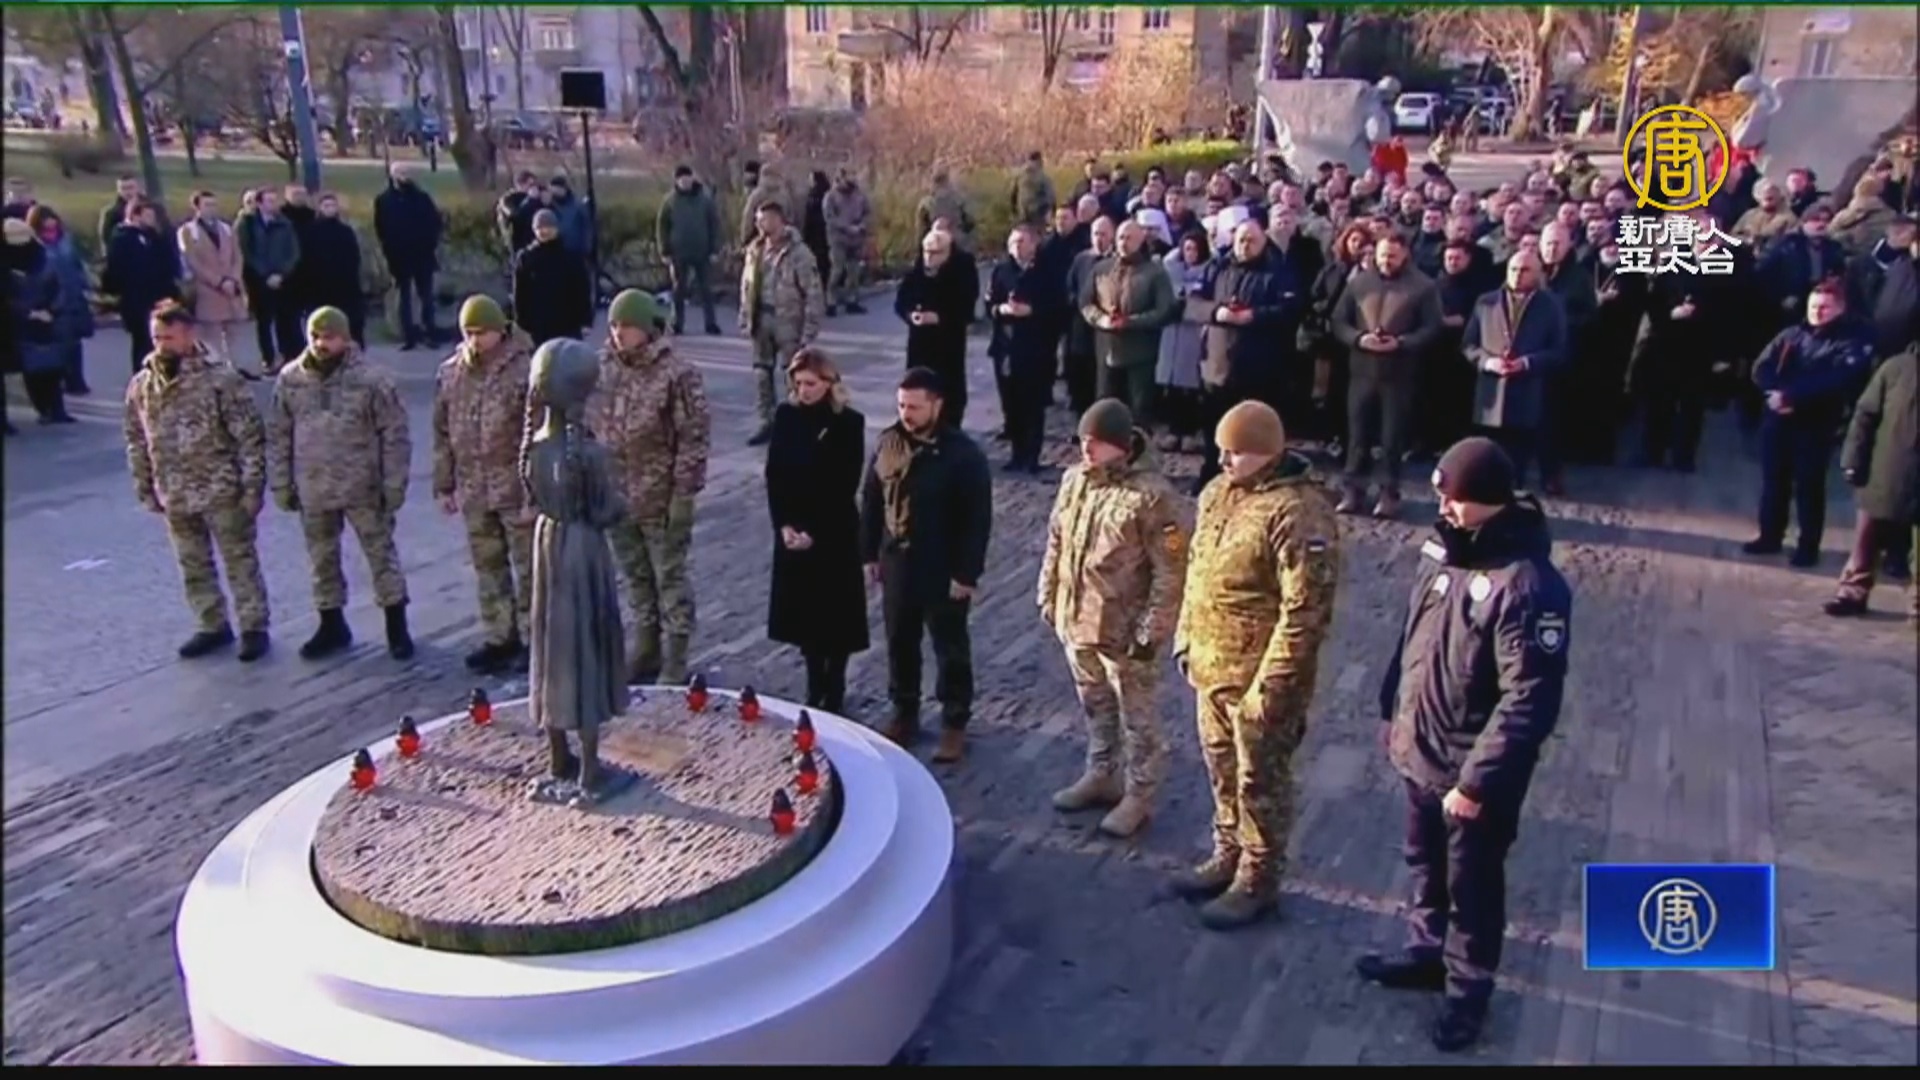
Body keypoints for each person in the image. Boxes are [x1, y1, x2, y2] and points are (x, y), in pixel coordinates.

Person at [1361, 436, 1571, 1053]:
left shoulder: (1526, 585)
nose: (1443, 508)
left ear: (1489, 498)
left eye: (1454, 498)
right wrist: (1392, 709)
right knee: (1425, 864)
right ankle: (1428, 952)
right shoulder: (1445, 549)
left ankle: (1468, 990)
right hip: (1422, 750)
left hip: (1470, 774)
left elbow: (1529, 698)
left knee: (1472, 885)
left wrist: (1476, 782)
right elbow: (1413, 636)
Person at [1172, 400, 1339, 930]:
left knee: (1260, 783)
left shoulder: (1300, 513)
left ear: (1269, 452)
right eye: (1221, 450)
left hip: (1258, 683)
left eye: (1236, 452)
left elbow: (1305, 614)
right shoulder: (1218, 494)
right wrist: (1185, 640)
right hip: (1211, 669)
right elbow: (1196, 571)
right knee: (1222, 771)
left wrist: (1270, 689)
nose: (1224, 461)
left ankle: (1258, 878)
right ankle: (1228, 851)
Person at [1037, 400, 1187, 839]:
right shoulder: (1074, 481)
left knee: (1137, 719)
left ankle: (1139, 794)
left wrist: (1152, 630)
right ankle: (1101, 772)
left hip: (1124, 631)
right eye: (1083, 440)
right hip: (1076, 619)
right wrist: (1048, 594)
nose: (1087, 449)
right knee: (1095, 703)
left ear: (1121, 445)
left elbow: (1172, 569)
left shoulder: (1153, 497)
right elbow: (1057, 540)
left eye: (1097, 442)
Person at [123, 301, 273, 663]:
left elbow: (249, 437)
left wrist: (252, 488)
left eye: (168, 337)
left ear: (188, 334)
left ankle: (253, 626)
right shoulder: (143, 385)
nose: (161, 345)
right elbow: (136, 439)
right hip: (174, 491)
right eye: (156, 337)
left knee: (239, 561)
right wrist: (145, 486)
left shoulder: (220, 380)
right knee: (192, 564)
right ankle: (211, 624)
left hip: (221, 489)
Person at [860, 367, 993, 763]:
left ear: (936, 405)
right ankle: (904, 711)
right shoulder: (887, 444)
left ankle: (954, 721)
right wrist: (868, 555)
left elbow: (977, 520)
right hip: (897, 562)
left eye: (915, 407)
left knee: (950, 646)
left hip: (943, 565)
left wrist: (966, 574)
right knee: (900, 641)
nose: (907, 413)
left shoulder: (963, 455)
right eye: (902, 405)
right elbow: (871, 502)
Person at [267, 307, 414, 661]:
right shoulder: (291, 379)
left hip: (363, 487)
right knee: (321, 560)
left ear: (345, 338)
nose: (321, 344)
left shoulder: (372, 381)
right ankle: (331, 624)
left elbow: (394, 435)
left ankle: (396, 627)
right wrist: (281, 483)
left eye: (329, 337)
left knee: (381, 557)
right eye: (315, 337)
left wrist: (394, 484)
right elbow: (279, 434)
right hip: (314, 488)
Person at [589, 290, 712, 686]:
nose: (619, 333)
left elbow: (693, 438)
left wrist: (684, 494)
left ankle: (676, 658)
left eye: (627, 326)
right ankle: (646, 647)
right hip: (617, 495)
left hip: (660, 496)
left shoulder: (676, 373)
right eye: (614, 325)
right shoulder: (602, 367)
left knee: (669, 578)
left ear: (648, 327)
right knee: (635, 576)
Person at [432, 296, 538, 675]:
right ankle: (499, 635)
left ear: (500, 330)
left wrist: (537, 491)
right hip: (475, 488)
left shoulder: (525, 371)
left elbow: (539, 434)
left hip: (516, 488)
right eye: (469, 333)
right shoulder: (451, 374)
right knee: (488, 567)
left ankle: (535, 638)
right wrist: (444, 485)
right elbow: (442, 433)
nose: (475, 341)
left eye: (482, 333)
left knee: (529, 570)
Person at [766, 348, 870, 713]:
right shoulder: (787, 417)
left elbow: (845, 483)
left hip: (833, 531)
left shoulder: (849, 423)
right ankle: (814, 685)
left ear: (828, 383)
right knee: (805, 614)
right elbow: (775, 475)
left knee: (835, 615)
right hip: (793, 529)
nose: (804, 391)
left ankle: (836, 684)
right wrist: (784, 525)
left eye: (811, 383)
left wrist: (815, 531)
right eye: (798, 384)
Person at [1744, 282, 1875, 567]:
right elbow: (1761, 366)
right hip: (1778, 418)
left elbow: (1836, 379)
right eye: (1814, 306)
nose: (1817, 312)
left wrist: (1792, 396)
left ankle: (1808, 546)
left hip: (1815, 422)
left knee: (1809, 486)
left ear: (1840, 309)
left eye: (1825, 307)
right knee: (1774, 482)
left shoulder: (1849, 341)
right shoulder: (1792, 334)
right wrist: (1774, 392)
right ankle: (1770, 535)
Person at [1331, 232, 1445, 518]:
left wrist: (1402, 343)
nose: (1386, 261)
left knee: (1392, 438)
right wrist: (1359, 339)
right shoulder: (1359, 283)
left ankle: (1388, 493)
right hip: (1361, 371)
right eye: (1382, 255)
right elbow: (1338, 321)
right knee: (1358, 436)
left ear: (1405, 254)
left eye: (1392, 256)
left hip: (1400, 374)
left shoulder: (1423, 286)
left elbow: (1432, 327)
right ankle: (1353, 490)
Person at [1192, 221, 1298, 493]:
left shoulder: (1277, 270)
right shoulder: (1218, 266)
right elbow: (1193, 302)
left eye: (1252, 240)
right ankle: (1212, 475)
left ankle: (1256, 477)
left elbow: (1291, 309)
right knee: (1214, 426)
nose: (1245, 245)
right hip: (1217, 364)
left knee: (1252, 430)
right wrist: (1216, 312)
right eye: (1241, 240)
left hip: (1258, 366)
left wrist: (1255, 315)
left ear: (1264, 241)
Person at [1461, 250, 1570, 488]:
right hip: (1491, 395)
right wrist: (1488, 362)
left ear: (1538, 273)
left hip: (1528, 393)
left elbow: (1559, 350)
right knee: (1488, 458)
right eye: (1513, 269)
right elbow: (1469, 345)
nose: (1517, 275)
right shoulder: (1486, 302)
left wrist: (1526, 363)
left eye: (1524, 270)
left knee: (1516, 461)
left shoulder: (1551, 305)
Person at [1827, 340, 1918, 620]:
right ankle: (1852, 592)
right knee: (1866, 540)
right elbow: (1865, 415)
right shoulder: (1896, 368)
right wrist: (1853, 459)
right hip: (1885, 470)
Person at [739, 201, 825, 447]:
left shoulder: (798, 253)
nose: (760, 225)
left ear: (778, 220)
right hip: (761, 319)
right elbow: (746, 286)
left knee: (794, 376)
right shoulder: (755, 250)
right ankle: (766, 421)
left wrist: (810, 330)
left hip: (788, 321)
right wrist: (745, 316)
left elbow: (813, 292)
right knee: (761, 374)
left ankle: (796, 424)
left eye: (764, 219)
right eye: (758, 220)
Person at [1083, 220, 1180, 424]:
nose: (1123, 243)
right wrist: (1101, 319)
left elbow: (1164, 311)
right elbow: (1086, 303)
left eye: (1129, 238)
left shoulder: (1155, 272)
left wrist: (1131, 322)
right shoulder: (1101, 269)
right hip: (1107, 351)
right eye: (1120, 238)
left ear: (1140, 240)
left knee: (1138, 412)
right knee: (1105, 409)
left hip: (1140, 354)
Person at [987, 224, 1065, 474]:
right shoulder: (1001, 271)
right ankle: (1016, 454)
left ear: (1034, 244)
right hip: (1005, 348)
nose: (1016, 247)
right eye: (1012, 242)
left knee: (1033, 406)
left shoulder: (1048, 271)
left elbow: (1059, 307)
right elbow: (989, 304)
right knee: (1011, 405)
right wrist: (1000, 309)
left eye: (1021, 242)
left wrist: (1032, 311)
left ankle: (1032, 456)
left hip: (1036, 349)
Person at [894, 227, 979, 430]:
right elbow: (901, 302)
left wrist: (940, 317)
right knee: (918, 385)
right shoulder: (916, 273)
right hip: (919, 343)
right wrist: (911, 315)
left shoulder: (960, 272)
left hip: (948, 343)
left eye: (935, 252)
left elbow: (967, 308)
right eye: (926, 251)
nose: (929, 257)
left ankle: (949, 429)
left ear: (948, 251)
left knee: (949, 390)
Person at [102, 198, 182, 376]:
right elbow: (116, 271)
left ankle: (162, 372)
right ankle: (142, 375)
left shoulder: (154, 237)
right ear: (135, 216)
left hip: (157, 297)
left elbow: (167, 265)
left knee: (160, 339)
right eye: (147, 216)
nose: (152, 220)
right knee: (142, 341)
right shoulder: (122, 239)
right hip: (135, 300)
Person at [4, 216, 73, 423]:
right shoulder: (7, 265)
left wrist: (51, 310)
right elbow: (6, 297)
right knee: (32, 368)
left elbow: (59, 287)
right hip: (20, 323)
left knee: (53, 366)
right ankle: (43, 408)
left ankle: (56, 409)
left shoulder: (44, 257)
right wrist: (28, 313)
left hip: (48, 318)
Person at [373, 162, 445, 351]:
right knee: (403, 297)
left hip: (423, 255)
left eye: (407, 172)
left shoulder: (422, 198)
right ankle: (408, 336)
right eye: (400, 173)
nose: (404, 176)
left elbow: (435, 223)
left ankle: (430, 332)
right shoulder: (384, 201)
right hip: (399, 257)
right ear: (393, 175)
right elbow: (381, 228)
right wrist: (389, 251)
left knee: (426, 296)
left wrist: (430, 245)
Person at [176, 191, 252, 370]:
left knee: (234, 332)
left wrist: (233, 278)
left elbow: (237, 256)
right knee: (211, 335)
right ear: (197, 207)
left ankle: (235, 368)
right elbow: (192, 261)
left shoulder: (226, 229)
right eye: (207, 205)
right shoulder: (188, 231)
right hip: (208, 289)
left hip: (231, 288)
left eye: (214, 205)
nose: (212, 209)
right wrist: (219, 282)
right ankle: (216, 368)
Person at [26, 206, 94, 399]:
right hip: (53, 302)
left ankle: (76, 380)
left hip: (74, 298)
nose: (50, 224)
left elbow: (78, 266)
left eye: (52, 219)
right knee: (60, 343)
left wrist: (85, 285)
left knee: (75, 342)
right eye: (45, 221)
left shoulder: (66, 242)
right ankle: (63, 381)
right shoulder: (35, 247)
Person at [237, 187, 303, 373]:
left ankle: (287, 356)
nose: (274, 205)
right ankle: (268, 358)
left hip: (282, 280)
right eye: (269, 201)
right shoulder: (249, 224)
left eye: (275, 200)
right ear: (259, 203)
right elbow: (247, 252)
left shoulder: (285, 223)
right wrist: (265, 274)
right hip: (259, 281)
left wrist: (282, 273)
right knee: (264, 322)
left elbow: (294, 252)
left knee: (285, 319)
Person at [656, 165, 724, 335]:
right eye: (682, 179)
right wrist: (664, 250)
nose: (685, 182)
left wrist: (715, 249)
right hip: (678, 252)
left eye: (688, 178)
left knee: (706, 289)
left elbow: (714, 224)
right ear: (676, 181)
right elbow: (662, 227)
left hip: (702, 251)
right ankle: (677, 323)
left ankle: (711, 323)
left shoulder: (705, 200)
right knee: (678, 289)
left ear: (692, 178)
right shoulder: (670, 201)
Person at [1062, 214, 1118, 418]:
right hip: (1081, 327)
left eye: (1103, 234)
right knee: (1081, 375)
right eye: (1095, 234)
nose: (1099, 238)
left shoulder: (1117, 261)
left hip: (1107, 329)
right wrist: (1080, 303)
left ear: (1112, 235)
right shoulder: (1082, 259)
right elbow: (1070, 288)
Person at [512, 208, 593, 345]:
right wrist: (521, 323)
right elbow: (520, 293)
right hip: (539, 325)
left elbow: (582, 289)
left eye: (548, 227)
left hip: (568, 324)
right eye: (539, 228)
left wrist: (585, 320)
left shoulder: (570, 256)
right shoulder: (526, 258)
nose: (544, 231)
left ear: (556, 228)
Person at [302, 193, 368, 349]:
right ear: (320, 208)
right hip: (320, 286)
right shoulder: (311, 231)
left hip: (345, 285)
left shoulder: (345, 231)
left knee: (350, 320)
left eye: (333, 205)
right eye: (326, 206)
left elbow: (354, 256)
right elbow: (307, 258)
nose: (330, 209)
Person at [822, 168, 872, 316]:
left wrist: (862, 226)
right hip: (838, 239)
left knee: (854, 272)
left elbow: (868, 213)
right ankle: (830, 301)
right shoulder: (831, 196)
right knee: (837, 270)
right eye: (850, 176)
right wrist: (846, 227)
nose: (852, 179)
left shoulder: (860, 195)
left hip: (856, 238)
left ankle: (852, 300)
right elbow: (829, 218)